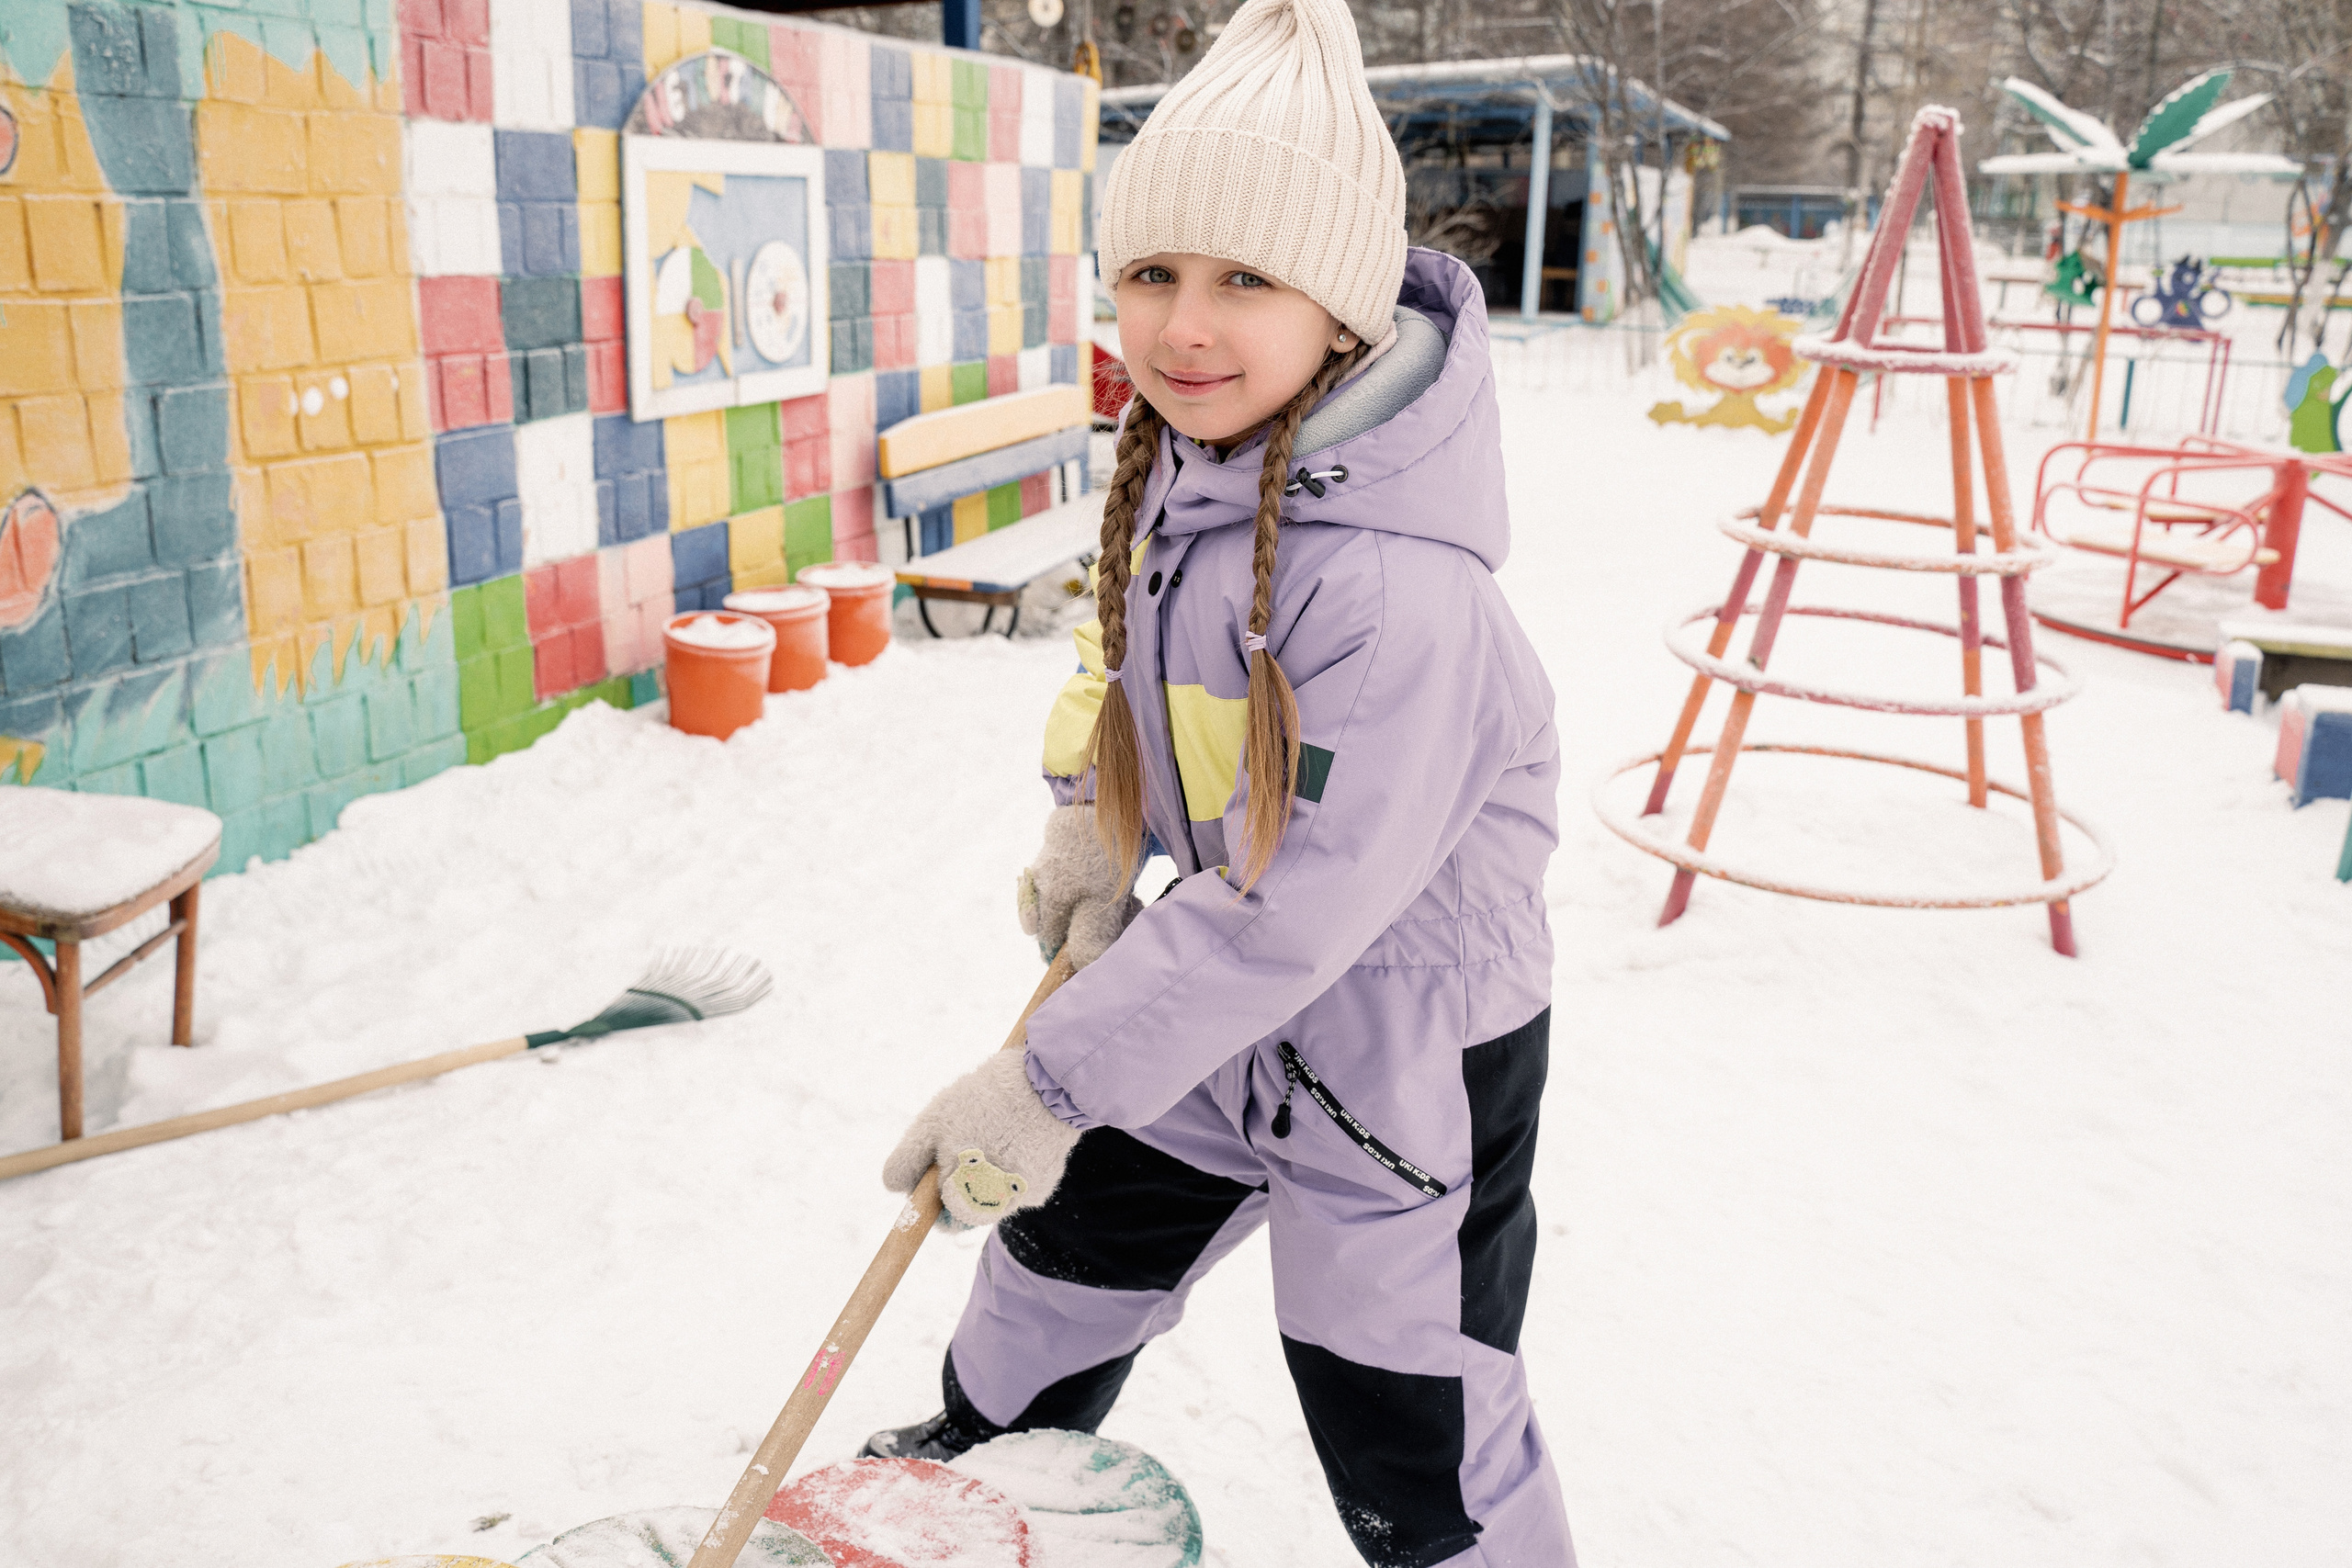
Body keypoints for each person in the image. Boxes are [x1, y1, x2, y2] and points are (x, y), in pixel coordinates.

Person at [869, 0, 1569, 1558]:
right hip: (1204, 992)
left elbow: (1293, 910)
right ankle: (976, 1463)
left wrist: (1044, 1081)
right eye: (1152, 274)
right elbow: (1129, 681)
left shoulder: (1396, 594)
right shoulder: (1198, 478)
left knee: (1404, 1397)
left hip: (1400, 1042)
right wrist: (1092, 828)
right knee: (1061, 1258)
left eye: (1246, 278)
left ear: (1345, 311)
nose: (1186, 325)